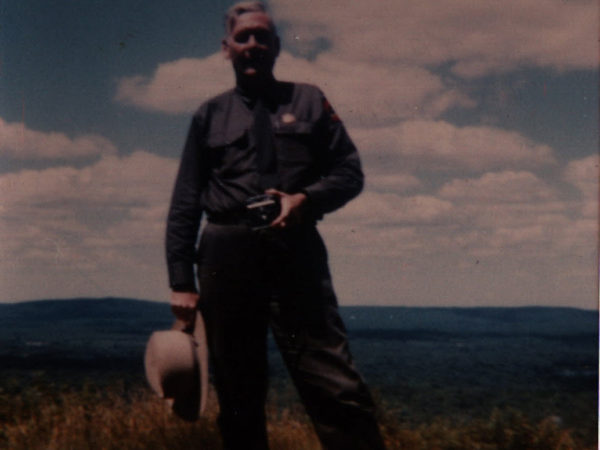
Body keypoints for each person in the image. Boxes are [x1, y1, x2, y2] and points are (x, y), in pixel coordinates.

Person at [165, 2, 385, 449]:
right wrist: (181, 282)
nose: (253, 45)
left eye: (262, 36)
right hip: (226, 255)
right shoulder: (209, 116)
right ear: (226, 48)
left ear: (277, 46)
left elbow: (349, 173)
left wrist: (306, 199)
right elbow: (186, 202)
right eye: (243, 37)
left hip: (294, 248)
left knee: (334, 383)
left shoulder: (309, 99)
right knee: (238, 393)